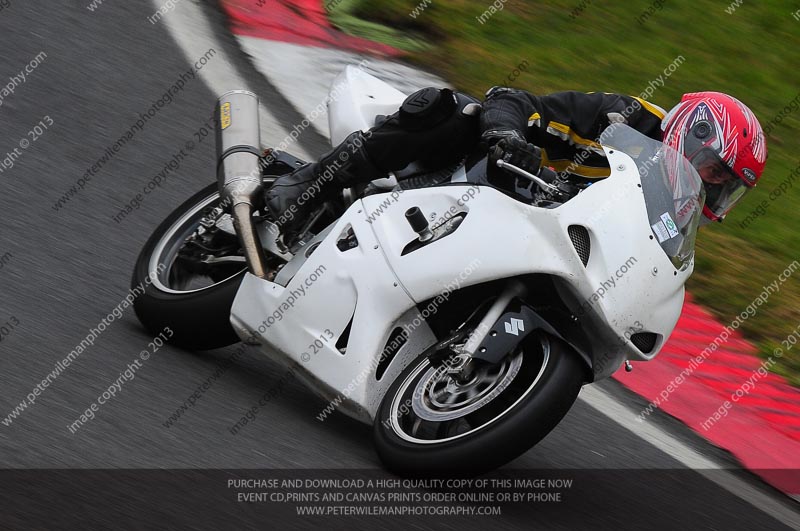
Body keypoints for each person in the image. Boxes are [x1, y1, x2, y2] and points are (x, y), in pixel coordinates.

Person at [265, 85, 767, 245]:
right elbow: (511, 97)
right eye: (717, 171)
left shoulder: (671, 211)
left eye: (726, 186)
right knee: (456, 110)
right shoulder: (626, 117)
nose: (714, 187)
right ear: (695, 135)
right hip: (485, 174)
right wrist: (507, 137)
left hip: (528, 235)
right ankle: (307, 184)